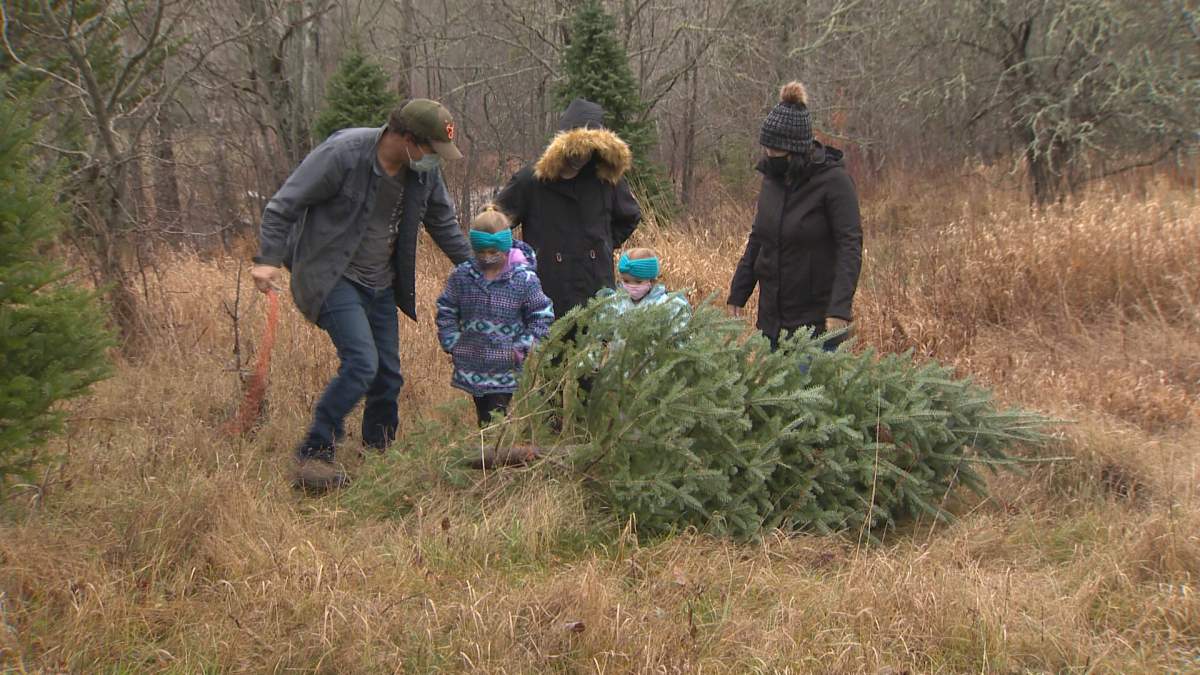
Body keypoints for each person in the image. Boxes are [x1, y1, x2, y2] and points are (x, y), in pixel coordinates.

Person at [250, 99, 472, 492]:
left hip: (381, 283)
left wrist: (475, 268)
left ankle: (379, 455)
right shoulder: (344, 154)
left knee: (388, 375)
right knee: (362, 364)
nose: (434, 161)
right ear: (405, 139)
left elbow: (443, 223)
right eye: (430, 151)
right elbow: (284, 204)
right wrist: (267, 258)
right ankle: (314, 454)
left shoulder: (423, 174)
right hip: (332, 275)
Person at [726, 81, 863, 352]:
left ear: (797, 150)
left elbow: (850, 246)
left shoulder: (834, 181)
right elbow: (759, 238)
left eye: (777, 151)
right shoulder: (771, 179)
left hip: (815, 324)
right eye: (767, 148)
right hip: (771, 322)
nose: (770, 155)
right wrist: (739, 292)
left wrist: (839, 309)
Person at [494, 98, 641, 322]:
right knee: (549, 353)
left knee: (594, 353)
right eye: (576, 148)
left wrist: (602, 243)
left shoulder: (606, 180)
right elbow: (493, 222)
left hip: (595, 290)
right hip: (546, 292)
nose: (580, 156)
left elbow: (629, 217)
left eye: (588, 149)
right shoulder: (531, 181)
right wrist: (517, 261)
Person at [435, 206, 554, 426]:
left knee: (496, 416)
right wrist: (451, 340)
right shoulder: (462, 276)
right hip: (473, 363)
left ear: (506, 247)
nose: (487, 258)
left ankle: (496, 453)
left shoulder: (523, 280)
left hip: (506, 364)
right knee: (483, 415)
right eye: (482, 252)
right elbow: (447, 308)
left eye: (493, 252)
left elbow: (542, 314)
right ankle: (487, 452)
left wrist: (523, 347)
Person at [597, 247, 691, 319]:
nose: (631, 286)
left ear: (651, 280)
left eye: (638, 282)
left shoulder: (669, 305)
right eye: (626, 281)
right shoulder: (614, 303)